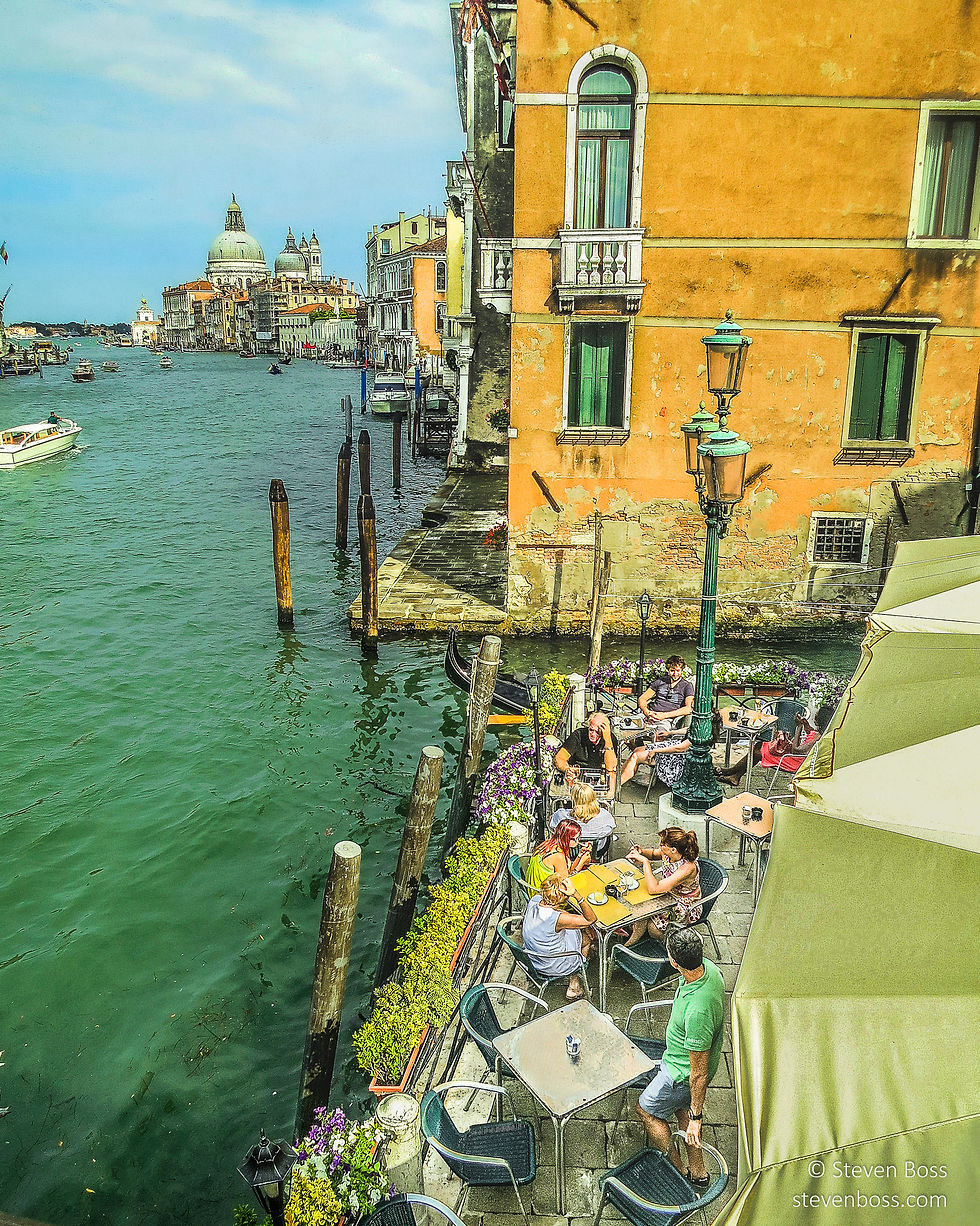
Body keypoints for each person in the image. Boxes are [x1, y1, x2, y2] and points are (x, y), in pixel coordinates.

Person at [635, 926, 725, 1188]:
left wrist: (697, 1118)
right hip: (680, 1066)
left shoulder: (698, 1012)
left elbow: (698, 1073)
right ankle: (699, 1174)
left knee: (646, 1110)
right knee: (681, 1111)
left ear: (674, 963)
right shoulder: (708, 969)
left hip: (680, 1074)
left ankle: (676, 1169)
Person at [716, 703, 833, 784]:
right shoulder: (822, 733)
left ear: (819, 720)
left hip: (795, 761)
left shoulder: (818, 737)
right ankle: (734, 776)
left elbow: (795, 750)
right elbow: (810, 733)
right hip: (799, 758)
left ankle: (731, 772)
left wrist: (798, 727)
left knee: (757, 750)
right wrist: (806, 726)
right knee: (759, 746)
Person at [522, 873, 596, 1000]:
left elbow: (560, 914)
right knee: (587, 940)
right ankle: (575, 985)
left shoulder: (534, 900)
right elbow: (591, 919)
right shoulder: (557, 919)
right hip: (553, 964)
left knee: (577, 928)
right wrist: (576, 894)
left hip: (532, 958)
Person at [623, 827, 702, 945]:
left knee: (652, 927)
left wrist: (645, 862)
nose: (660, 846)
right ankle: (634, 936)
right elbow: (654, 853)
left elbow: (653, 889)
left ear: (673, 849)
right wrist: (642, 852)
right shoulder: (670, 854)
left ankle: (665, 943)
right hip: (667, 893)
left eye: (662, 844)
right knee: (639, 903)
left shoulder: (687, 868)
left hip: (683, 903)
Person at [553, 711, 618, 799]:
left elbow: (611, 767)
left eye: (597, 732)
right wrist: (567, 769)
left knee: (612, 777)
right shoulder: (578, 735)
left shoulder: (610, 739)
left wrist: (607, 740)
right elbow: (559, 758)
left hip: (600, 776)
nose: (593, 734)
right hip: (578, 776)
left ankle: (606, 807)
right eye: (591, 730)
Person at [550, 782, 616, 860]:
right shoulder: (604, 815)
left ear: (573, 799)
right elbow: (612, 824)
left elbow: (552, 824)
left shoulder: (561, 815)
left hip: (568, 850)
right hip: (596, 851)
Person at [525, 818, 590, 891]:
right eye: (575, 839)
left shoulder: (549, 844)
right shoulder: (558, 856)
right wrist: (581, 863)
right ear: (566, 838)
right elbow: (566, 883)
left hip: (538, 887)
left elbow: (568, 871)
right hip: (544, 894)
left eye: (579, 838)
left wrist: (580, 856)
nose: (578, 842)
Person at [639, 656, 694, 735]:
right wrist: (647, 712)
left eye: (678, 671)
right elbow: (642, 698)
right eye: (672, 671)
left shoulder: (687, 686)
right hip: (650, 715)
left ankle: (649, 747)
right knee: (626, 726)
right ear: (668, 670)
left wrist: (664, 715)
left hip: (667, 719)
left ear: (682, 670)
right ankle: (638, 747)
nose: (675, 674)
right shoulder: (660, 681)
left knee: (659, 735)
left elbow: (688, 709)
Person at [619, 729, 691, 789]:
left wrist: (655, 750)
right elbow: (688, 729)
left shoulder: (701, 733)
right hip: (675, 745)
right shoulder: (699, 722)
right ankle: (618, 778)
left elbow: (679, 749)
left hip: (678, 757)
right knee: (637, 750)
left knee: (636, 756)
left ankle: (616, 787)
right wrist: (670, 732)